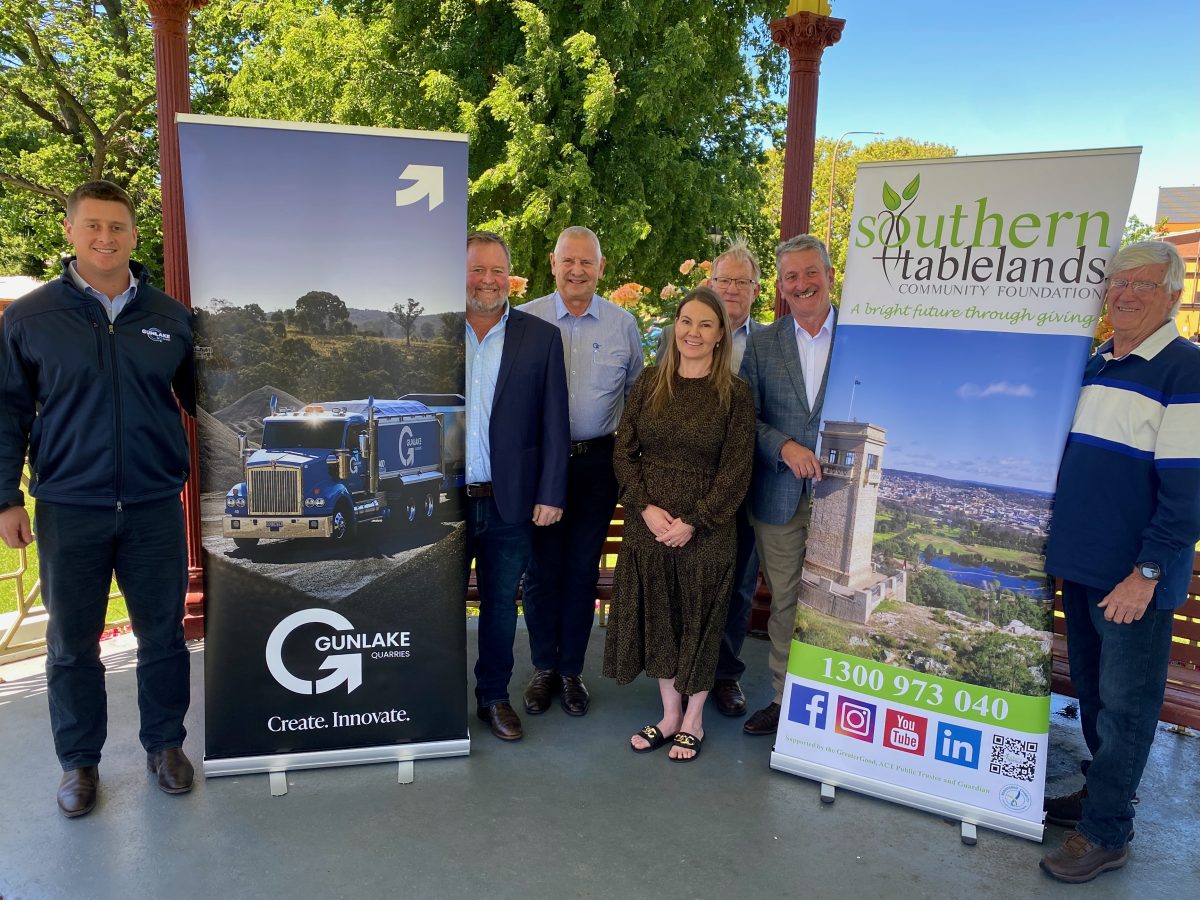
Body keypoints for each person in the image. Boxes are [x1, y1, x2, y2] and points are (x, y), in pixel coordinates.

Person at [0, 180, 196, 817]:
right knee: (71, 644)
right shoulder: (29, 318)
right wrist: (5, 499)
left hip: (153, 505)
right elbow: (7, 412)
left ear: (134, 234)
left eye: (117, 226)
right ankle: (79, 762)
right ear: (70, 231)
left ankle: (165, 745)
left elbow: (208, 402)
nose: (105, 238)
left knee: (163, 636)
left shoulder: (171, 319)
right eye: (92, 226)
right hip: (69, 507)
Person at [1039, 241, 1200, 883]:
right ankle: (1101, 798)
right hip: (1081, 568)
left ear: (1173, 296)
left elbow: (1189, 493)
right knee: (1096, 696)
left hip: (1132, 580)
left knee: (1126, 709)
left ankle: (1107, 832)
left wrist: (1148, 573)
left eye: (1142, 284)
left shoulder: (1186, 370)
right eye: (1118, 283)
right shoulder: (1097, 363)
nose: (1125, 293)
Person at [603, 287, 755, 760]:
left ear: (720, 335)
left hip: (706, 531)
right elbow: (624, 452)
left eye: (706, 325)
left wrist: (694, 521)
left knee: (700, 621)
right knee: (661, 617)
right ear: (675, 326)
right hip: (649, 525)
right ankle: (670, 714)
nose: (693, 332)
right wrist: (644, 508)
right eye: (686, 321)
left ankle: (695, 720)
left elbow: (736, 471)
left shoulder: (735, 394)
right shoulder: (651, 382)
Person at [518, 226, 643, 717]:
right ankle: (543, 668)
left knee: (581, 569)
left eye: (586, 262)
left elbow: (637, 401)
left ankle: (571, 670)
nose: (576, 270)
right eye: (568, 261)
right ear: (553, 264)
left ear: (601, 267)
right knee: (541, 571)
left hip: (597, 465)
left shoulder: (622, 325)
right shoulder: (524, 321)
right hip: (538, 466)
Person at [463, 231, 570, 741]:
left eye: (497, 271)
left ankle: (493, 697)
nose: (488, 280)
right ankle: (434, 699)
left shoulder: (540, 337)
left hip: (510, 501)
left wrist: (551, 493)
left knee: (501, 606)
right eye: (477, 269)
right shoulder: (433, 332)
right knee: (435, 606)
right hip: (443, 502)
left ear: (511, 277)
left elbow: (555, 423)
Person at [656, 239, 765, 716]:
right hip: (681, 491)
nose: (732, 289)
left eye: (742, 282)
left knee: (735, 585)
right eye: (724, 280)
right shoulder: (676, 336)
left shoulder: (769, 342)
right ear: (710, 283)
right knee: (683, 585)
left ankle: (723, 674)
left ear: (756, 290)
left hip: (744, 487)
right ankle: (682, 675)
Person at [738, 234, 837, 736]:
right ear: (780, 287)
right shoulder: (762, 343)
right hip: (779, 497)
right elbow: (746, 418)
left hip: (844, 496)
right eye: (791, 277)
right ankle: (786, 701)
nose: (802, 284)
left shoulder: (862, 337)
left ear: (829, 275)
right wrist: (784, 447)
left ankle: (838, 708)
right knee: (787, 603)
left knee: (840, 608)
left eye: (810, 272)